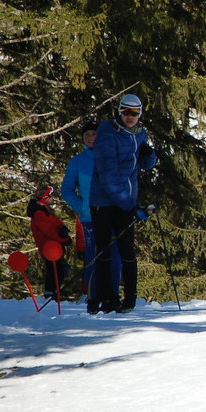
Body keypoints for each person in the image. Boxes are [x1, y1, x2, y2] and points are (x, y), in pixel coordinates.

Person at [89, 94, 157, 313]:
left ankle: (130, 298)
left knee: (127, 250)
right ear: (119, 112)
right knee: (105, 250)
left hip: (127, 200)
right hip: (103, 201)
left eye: (134, 113)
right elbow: (109, 175)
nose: (130, 117)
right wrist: (129, 204)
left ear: (140, 114)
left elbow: (144, 166)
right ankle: (106, 298)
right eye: (126, 112)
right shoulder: (107, 133)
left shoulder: (139, 134)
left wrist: (149, 156)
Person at [61, 120, 121, 310]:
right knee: (93, 257)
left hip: (112, 215)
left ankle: (113, 296)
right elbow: (67, 190)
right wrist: (82, 207)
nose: (91, 138)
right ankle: (93, 297)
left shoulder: (112, 158)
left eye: (94, 134)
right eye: (87, 135)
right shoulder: (77, 161)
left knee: (114, 257)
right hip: (89, 218)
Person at [26, 185, 72, 299]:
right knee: (54, 270)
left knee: (58, 269)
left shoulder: (43, 209)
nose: (53, 198)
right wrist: (64, 239)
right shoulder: (39, 212)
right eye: (51, 195)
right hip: (49, 247)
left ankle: (54, 292)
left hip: (53, 245)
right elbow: (49, 231)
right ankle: (51, 293)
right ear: (45, 197)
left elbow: (53, 222)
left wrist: (62, 227)